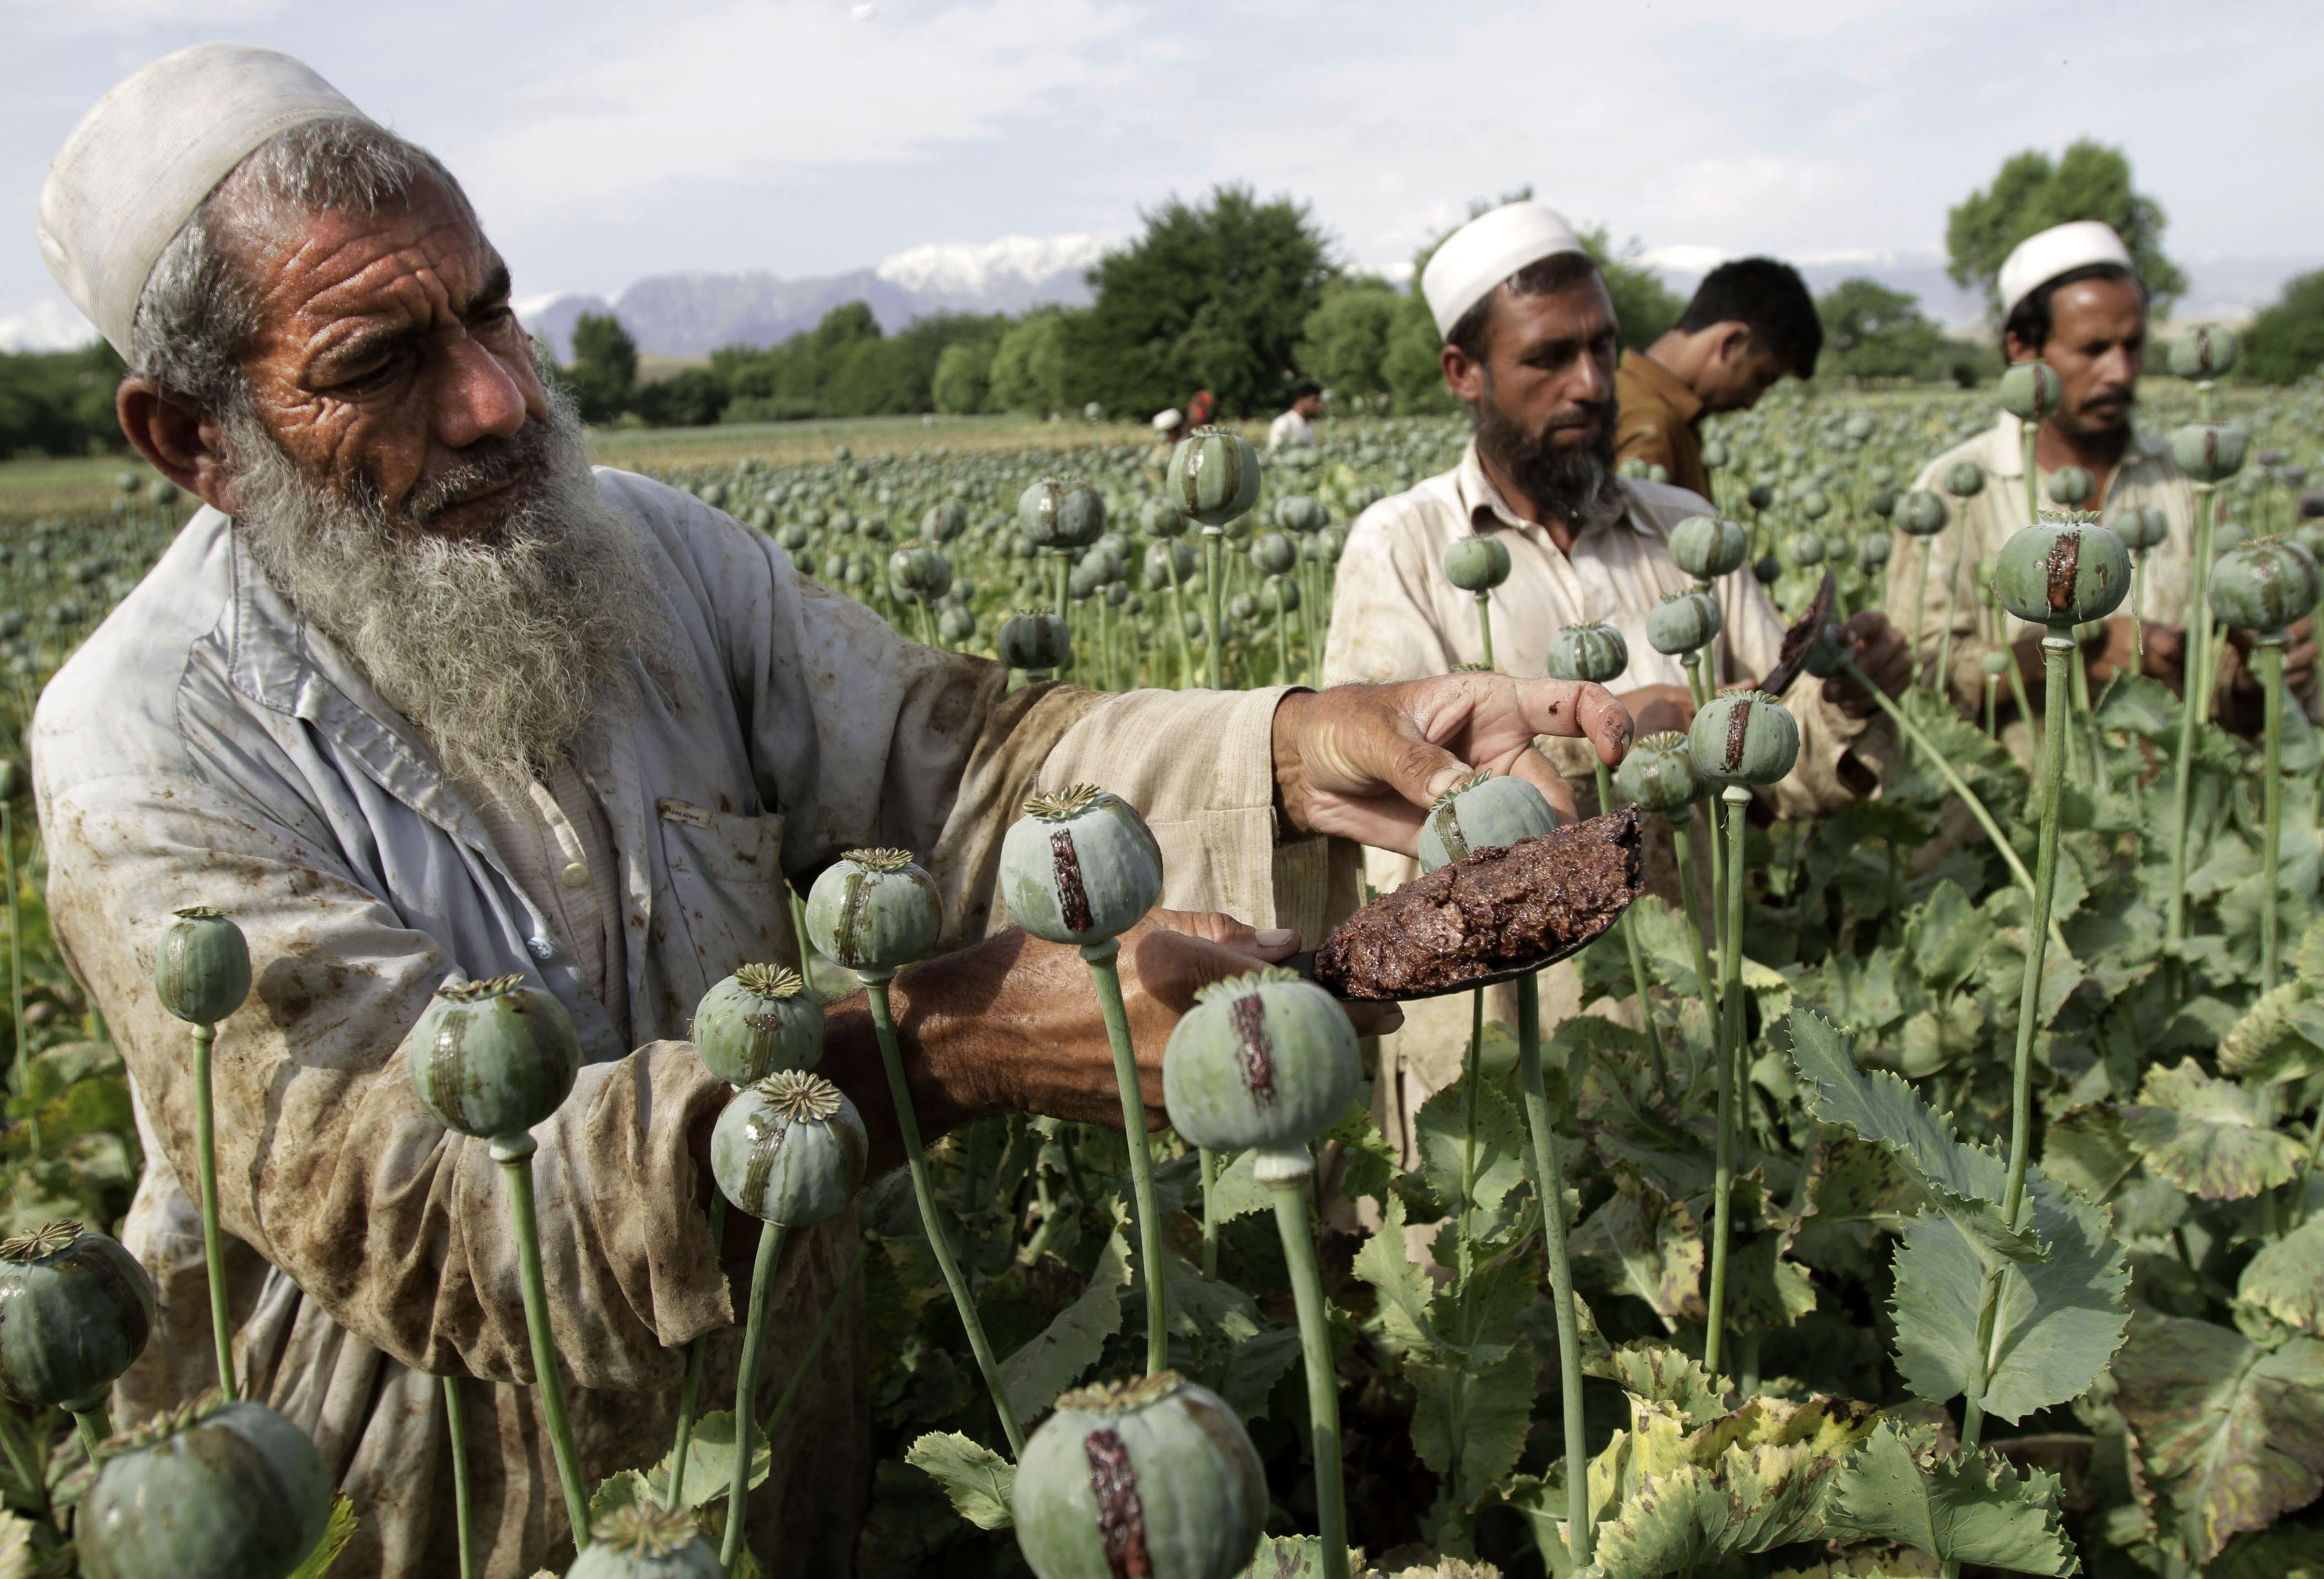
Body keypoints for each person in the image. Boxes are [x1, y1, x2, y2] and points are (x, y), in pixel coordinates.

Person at [31, 48, 1636, 1579]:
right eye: (378, 363)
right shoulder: (146, 742)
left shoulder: (646, 551)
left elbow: (971, 764)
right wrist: (942, 1047)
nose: (494, 402)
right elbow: (440, 1209)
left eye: (494, 311)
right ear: (194, 439)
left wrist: (1297, 744)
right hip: (410, 1503)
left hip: (773, 1447)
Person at [1321, 200, 1909, 1171]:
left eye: (1604, 348)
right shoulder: (1403, 546)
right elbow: (1386, 795)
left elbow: (1775, 763)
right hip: (1500, 1050)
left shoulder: (1686, 531)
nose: (1591, 384)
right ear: (1464, 374)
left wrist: (1844, 697)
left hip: (1681, 1023)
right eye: (1548, 358)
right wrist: (1619, 732)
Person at [1885, 219, 2316, 728]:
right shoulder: (1952, 488)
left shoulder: (2186, 481)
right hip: (2009, 801)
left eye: (2132, 346)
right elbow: (1919, 674)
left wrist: (2255, 677)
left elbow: (2220, 680)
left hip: (2166, 788)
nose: (2120, 371)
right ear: (2023, 350)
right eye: (2093, 350)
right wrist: (2073, 650)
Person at [1614, 257, 1821, 499]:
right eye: (1761, 379)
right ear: (1731, 344)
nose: (1751, 403)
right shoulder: (1651, 431)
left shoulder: (1629, 396)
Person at [1269, 379, 1323, 451]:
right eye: (1315, 400)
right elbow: (1275, 457)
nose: (1319, 406)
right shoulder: (1283, 423)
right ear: (1301, 400)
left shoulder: (1310, 426)